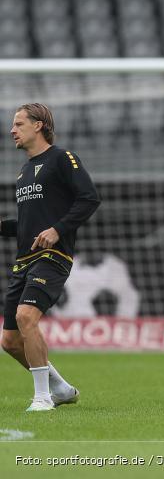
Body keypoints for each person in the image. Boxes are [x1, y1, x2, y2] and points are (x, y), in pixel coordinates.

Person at [1, 104, 101, 411]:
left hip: (53, 256)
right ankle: (60, 388)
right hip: (24, 260)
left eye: (18, 123)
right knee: (9, 341)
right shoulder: (23, 173)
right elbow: (29, 227)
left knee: (26, 316)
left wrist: (58, 231)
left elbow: (89, 198)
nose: (12, 130)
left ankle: (42, 397)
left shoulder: (61, 158)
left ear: (39, 125)